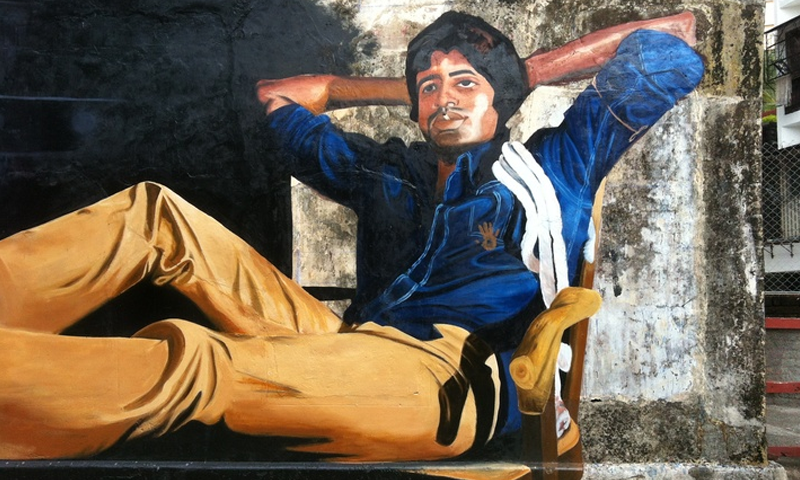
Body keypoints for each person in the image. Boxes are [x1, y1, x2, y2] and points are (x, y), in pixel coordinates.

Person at [0, 10, 703, 461]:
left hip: (447, 382)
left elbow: (677, 39)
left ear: (503, 97)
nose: (444, 99)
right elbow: (278, 96)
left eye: (466, 84)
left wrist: (520, 73)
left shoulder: (559, 162)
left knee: (201, 367)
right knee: (155, 217)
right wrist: (410, 85)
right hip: (348, 344)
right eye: (429, 89)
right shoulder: (387, 172)